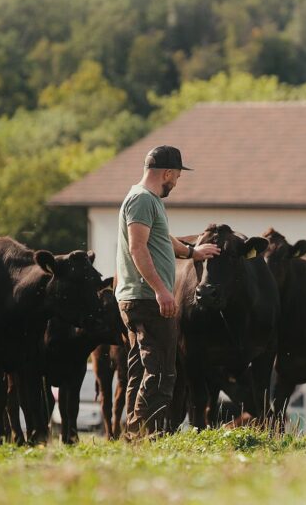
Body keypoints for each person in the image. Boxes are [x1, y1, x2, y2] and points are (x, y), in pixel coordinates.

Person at [115, 145, 219, 437]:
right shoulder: (142, 200)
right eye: (177, 177)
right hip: (147, 299)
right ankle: (147, 436)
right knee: (161, 372)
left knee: (140, 370)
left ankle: (134, 435)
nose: (176, 182)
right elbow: (138, 247)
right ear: (167, 173)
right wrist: (161, 290)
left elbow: (161, 238)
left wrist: (192, 252)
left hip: (138, 297)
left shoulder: (146, 200)